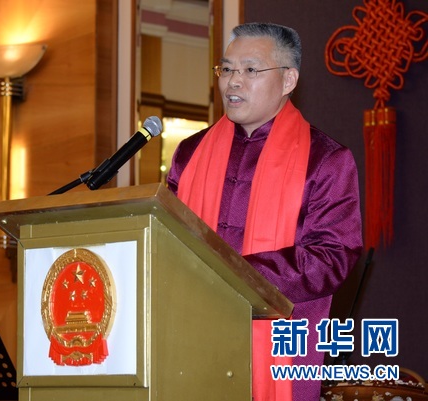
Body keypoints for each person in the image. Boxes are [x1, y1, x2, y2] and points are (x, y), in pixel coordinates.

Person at [166, 22, 363, 401]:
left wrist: (236, 276)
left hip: (282, 348)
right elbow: (168, 238)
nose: (233, 82)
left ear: (288, 80)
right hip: (193, 334)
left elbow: (332, 257)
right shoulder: (190, 154)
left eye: (251, 70)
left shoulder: (325, 160)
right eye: (226, 69)